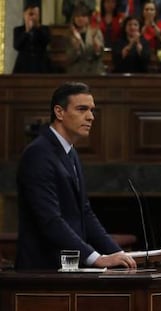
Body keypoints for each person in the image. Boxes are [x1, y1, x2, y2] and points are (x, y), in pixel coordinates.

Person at [15, 82, 137, 270]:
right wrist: (96, 258)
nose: (90, 117)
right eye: (82, 109)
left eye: (91, 110)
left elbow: (84, 214)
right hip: (42, 272)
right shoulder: (38, 154)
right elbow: (50, 220)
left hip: (66, 269)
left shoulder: (70, 152)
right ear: (59, 112)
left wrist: (118, 254)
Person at [66, 3, 105, 74]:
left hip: (94, 71)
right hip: (76, 73)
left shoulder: (95, 31)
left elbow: (100, 54)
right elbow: (69, 58)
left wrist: (96, 46)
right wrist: (76, 47)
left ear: (88, 18)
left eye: (83, 16)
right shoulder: (69, 34)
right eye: (77, 16)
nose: (80, 18)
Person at [13, 3, 51, 73]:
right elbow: (16, 46)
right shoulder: (18, 30)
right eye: (30, 14)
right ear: (24, 15)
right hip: (23, 65)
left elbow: (46, 42)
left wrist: (37, 28)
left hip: (41, 64)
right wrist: (26, 32)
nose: (33, 17)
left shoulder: (45, 29)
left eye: (36, 14)